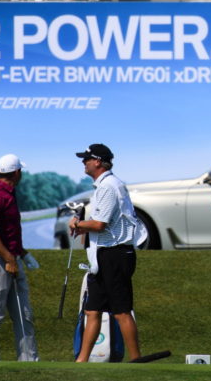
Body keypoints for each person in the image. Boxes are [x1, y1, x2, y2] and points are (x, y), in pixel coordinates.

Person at [70, 143, 142, 362]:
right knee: (92, 310)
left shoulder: (108, 186)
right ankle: (82, 361)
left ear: (98, 162)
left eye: (87, 159)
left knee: (121, 311)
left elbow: (100, 224)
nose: (84, 162)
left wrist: (77, 224)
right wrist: (82, 226)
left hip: (115, 255)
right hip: (103, 255)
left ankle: (137, 361)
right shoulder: (105, 185)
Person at [0, 153, 40, 362]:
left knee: (24, 315)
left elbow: (9, 234)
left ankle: (29, 362)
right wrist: (10, 259)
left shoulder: (9, 194)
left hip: (10, 260)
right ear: (17, 172)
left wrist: (23, 254)